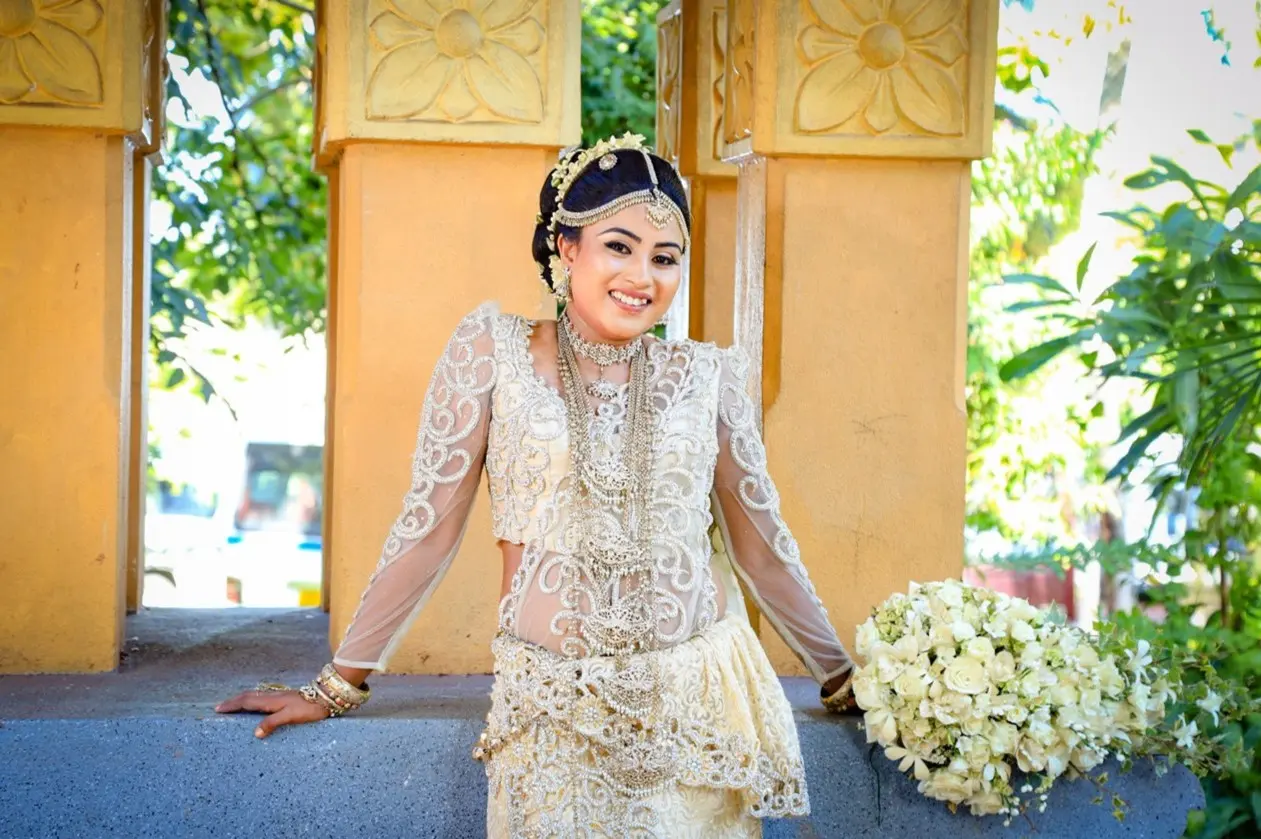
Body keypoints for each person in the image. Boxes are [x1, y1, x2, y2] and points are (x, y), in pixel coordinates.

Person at [216, 133, 858, 838]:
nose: (642, 275)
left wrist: (843, 680)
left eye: (664, 257)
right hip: (551, 715)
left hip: (693, 716)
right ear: (565, 246)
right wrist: (337, 683)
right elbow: (429, 529)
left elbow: (760, 548)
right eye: (619, 245)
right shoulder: (493, 353)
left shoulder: (707, 379)